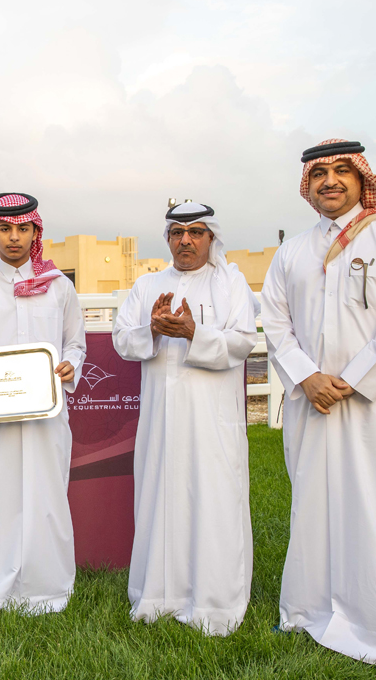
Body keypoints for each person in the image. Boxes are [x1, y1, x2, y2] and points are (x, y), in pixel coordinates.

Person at [261, 139, 376, 673]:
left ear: (362, 179)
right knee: (313, 509)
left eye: (341, 172)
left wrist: (352, 381)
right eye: (319, 174)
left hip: (372, 406)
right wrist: (308, 378)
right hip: (312, 404)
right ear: (307, 186)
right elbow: (275, 322)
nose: (330, 181)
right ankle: (307, 613)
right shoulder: (292, 252)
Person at [114, 201, 258, 636]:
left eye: (196, 232)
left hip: (213, 421)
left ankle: (215, 599)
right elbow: (123, 339)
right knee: (161, 494)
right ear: (168, 240)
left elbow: (244, 340)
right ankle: (158, 594)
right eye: (177, 233)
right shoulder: (146, 285)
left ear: (211, 238)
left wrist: (196, 333)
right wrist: (153, 330)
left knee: (213, 496)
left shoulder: (231, 283)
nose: (186, 240)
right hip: (161, 422)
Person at [0, 193, 86, 614]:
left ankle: (47, 588)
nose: (14, 238)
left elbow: (75, 344)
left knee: (46, 498)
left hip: (47, 417)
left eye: (22, 229)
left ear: (35, 232)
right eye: (4, 230)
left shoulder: (60, 287)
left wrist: (69, 367)